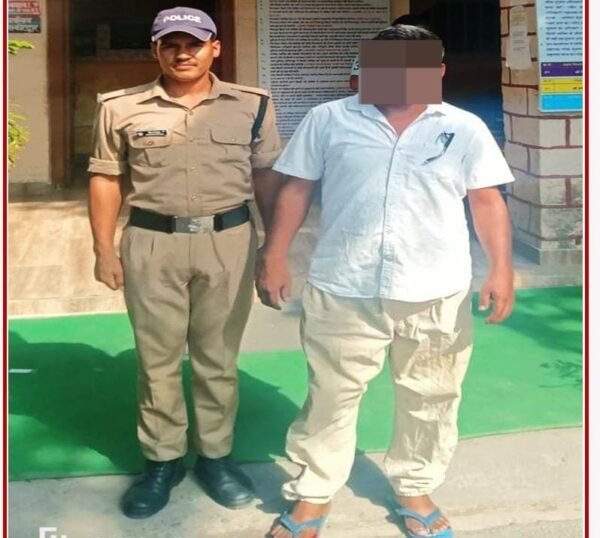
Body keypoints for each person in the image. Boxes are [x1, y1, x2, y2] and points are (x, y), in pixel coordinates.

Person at [257, 25, 515, 538]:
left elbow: (486, 201)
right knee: (330, 395)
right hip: (344, 285)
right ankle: (314, 492)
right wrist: (274, 255)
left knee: (432, 395)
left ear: (437, 72)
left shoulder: (463, 128)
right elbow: (296, 190)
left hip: (436, 289)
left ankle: (414, 486)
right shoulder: (328, 119)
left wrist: (501, 269)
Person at [88, 6, 282, 519]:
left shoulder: (252, 105)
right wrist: (103, 249)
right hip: (153, 243)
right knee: (157, 362)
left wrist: (275, 248)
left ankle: (215, 457)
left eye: (193, 44)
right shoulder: (119, 107)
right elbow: (105, 177)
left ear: (215, 48)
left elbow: (266, 175)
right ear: (155, 50)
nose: (182, 53)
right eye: (170, 44)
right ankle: (162, 460)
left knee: (217, 358)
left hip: (229, 241)